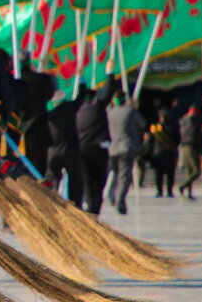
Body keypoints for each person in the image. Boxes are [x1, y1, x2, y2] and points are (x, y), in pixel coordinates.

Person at [77, 82, 117, 215]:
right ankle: (95, 209)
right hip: (98, 149)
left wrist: (81, 80)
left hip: (82, 149)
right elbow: (109, 90)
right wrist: (110, 74)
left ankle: (90, 208)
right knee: (99, 181)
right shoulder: (97, 106)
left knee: (88, 181)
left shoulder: (76, 109)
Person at [107, 93, 145, 215]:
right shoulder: (130, 111)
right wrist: (134, 107)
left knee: (115, 174)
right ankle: (120, 201)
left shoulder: (110, 112)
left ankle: (111, 196)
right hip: (126, 148)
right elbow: (142, 123)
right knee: (124, 177)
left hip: (113, 149)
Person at [18, 55, 57, 176]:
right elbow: (51, 93)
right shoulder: (42, 79)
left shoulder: (16, 82)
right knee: (39, 169)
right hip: (39, 131)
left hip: (19, 131)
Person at [46, 90, 84, 204]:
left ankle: (51, 204)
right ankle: (76, 207)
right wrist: (80, 78)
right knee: (75, 184)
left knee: (52, 183)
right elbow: (81, 96)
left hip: (54, 153)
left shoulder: (49, 115)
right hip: (71, 152)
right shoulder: (71, 109)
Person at [145, 106, 180, 197]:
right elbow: (178, 140)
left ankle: (159, 191)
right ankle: (169, 191)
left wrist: (148, 153)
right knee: (170, 174)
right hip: (170, 153)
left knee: (158, 174)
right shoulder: (174, 127)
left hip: (158, 154)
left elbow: (150, 142)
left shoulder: (155, 127)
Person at [177, 104, 202, 200]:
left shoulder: (183, 119)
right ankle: (181, 187)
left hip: (184, 145)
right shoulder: (195, 119)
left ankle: (188, 193)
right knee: (196, 171)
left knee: (189, 171)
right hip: (192, 146)